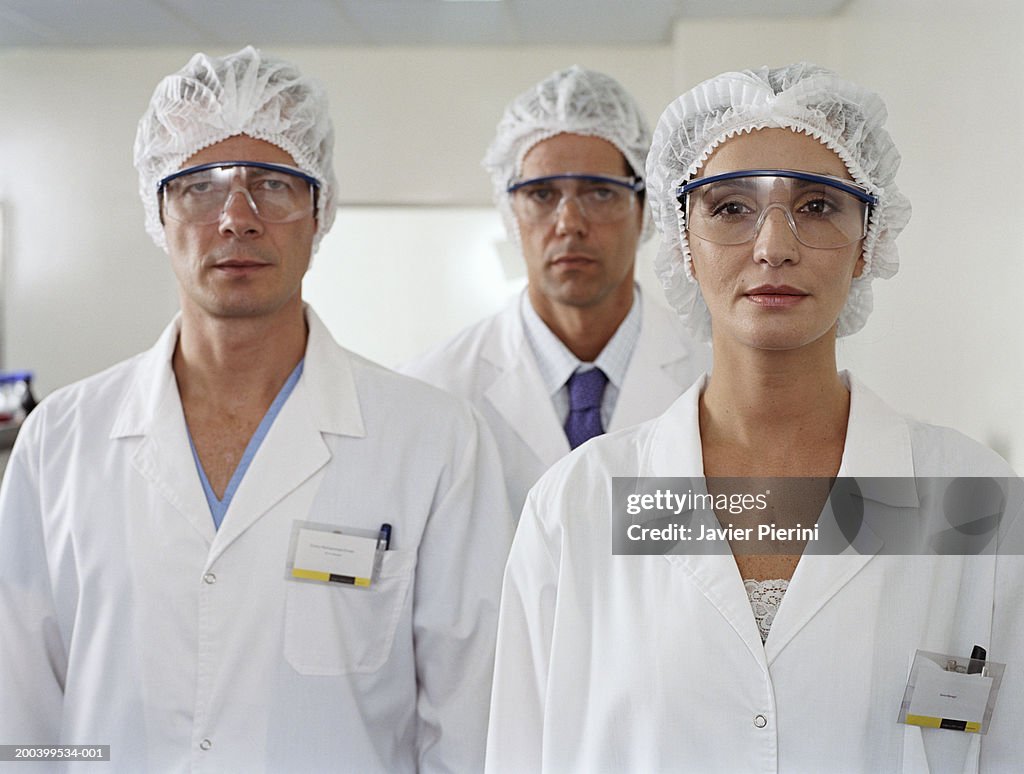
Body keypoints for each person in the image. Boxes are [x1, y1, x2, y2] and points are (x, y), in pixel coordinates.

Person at [485, 63, 1024, 772]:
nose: (774, 246)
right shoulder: (577, 504)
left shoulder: (971, 499)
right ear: (684, 241)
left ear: (870, 238)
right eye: (731, 207)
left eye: (819, 205)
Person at [0, 47, 512, 772]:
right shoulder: (61, 440)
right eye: (199, 186)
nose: (236, 217)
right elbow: (23, 710)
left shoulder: (434, 442)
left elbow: (467, 722)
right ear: (158, 208)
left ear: (320, 208)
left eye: (274, 183)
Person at [402, 66, 708, 518]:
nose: (568, 223)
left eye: (600, 193)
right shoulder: (431, 391)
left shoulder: (716, 382)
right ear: (511, 212)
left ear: (645, 207)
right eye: (542, 194)